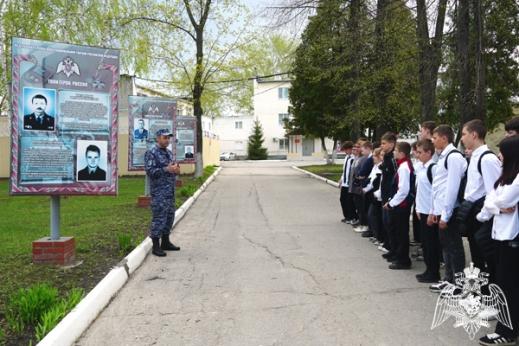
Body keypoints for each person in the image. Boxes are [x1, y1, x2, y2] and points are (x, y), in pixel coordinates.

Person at [476, 135, 519, 346]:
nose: (498, 155)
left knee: (508, 285)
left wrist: (496, 205)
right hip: (501, 236)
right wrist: (498, 207)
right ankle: (508, 328)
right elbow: (488, 203)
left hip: (512, 238)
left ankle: (506, 331)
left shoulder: (517, 178)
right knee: (504, 283)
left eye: (501, 151)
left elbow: (503, 199)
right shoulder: (505, 177)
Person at [459, 119, 501, 281]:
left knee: (484, 256)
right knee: (476, 258)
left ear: (474, 135)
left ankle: (489, 294)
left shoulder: (487, 159)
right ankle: (478, 293)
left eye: (464, 134)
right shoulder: (475, 157)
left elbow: (494, 191)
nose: (462, 138)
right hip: (472, 211)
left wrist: (483, 217)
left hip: (481, 213)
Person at [428, 125, 467, 292]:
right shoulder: (443, 156)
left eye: (435, 137)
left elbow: (451, 188)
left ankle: (458, 284)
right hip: (441, 209)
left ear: (444, 138)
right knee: (446, 246)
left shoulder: (453, 157)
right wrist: (433, 210)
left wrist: (445, 214)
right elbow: (437, 187)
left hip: (450, 209)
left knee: (454, 247)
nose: (432, 140)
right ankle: (448, 279)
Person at [145, 129, 181, 257]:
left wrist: (176, 170)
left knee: (169, 217)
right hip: (159, 192)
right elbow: (150, 171)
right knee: (159, 218)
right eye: (164, 137)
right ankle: (156, 246)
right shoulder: (151, 153)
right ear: (158, 138)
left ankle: (165, 242)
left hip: (169, 192)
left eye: (168, 138)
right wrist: (167, 169)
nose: (167, 140)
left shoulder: (169, 153)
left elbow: (174, 168)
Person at [383, 141, 414, 270]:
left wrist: (391, 203)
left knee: (401, 233)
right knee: (396, 231)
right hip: (398, 204)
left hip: (402, 206)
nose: (394, 152)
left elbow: (403, 190)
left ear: (401, 153)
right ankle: (397, 254)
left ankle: (403, 260)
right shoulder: (402, 165)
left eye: (396, 150)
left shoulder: (405, 167)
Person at [414, 139, 440, 282]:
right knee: (426, 243)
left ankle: (433, 273)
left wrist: (432, 211)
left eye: (420, 152)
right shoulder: (421, 168)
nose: (417, 155)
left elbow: (435, 192)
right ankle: (428, 269)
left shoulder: (433, 168)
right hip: (422, 211)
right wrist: (418, 208)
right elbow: (420, 191)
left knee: (431, 244)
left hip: (430, 212)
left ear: (429, 152)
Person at [379, 132, 398, 261]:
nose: (382, 146)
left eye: (384, 143)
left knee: (392, 225)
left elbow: (396, 177)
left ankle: (395, 250)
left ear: (391, 143)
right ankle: (391, 248)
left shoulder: (393, 158)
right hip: (384, 194)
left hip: (391, 195)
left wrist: (392, 197)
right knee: (386, 223)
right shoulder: (386, 156)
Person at [363, 148, 384, 245]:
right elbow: (370, 178)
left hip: (377, 194)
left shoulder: (380, 167)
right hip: (372, 193)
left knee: (375, 216)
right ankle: (375, 234)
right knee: (371, 215)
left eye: (375, 156)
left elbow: (375, 181)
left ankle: (378, 236)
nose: (373, 158)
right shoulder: (375, 166)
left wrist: (367, 189)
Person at [339, 141, 356, 224]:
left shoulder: (353, 158)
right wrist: (341, 179)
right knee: (342, 200)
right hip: (344, 183)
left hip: (350, 184)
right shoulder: (346, 158)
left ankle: (351, 217)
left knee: (350, 201)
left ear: (350, 149)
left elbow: (351, 172)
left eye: (346, 150)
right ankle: (346, 216)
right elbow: (344, 170)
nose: (345, 152)